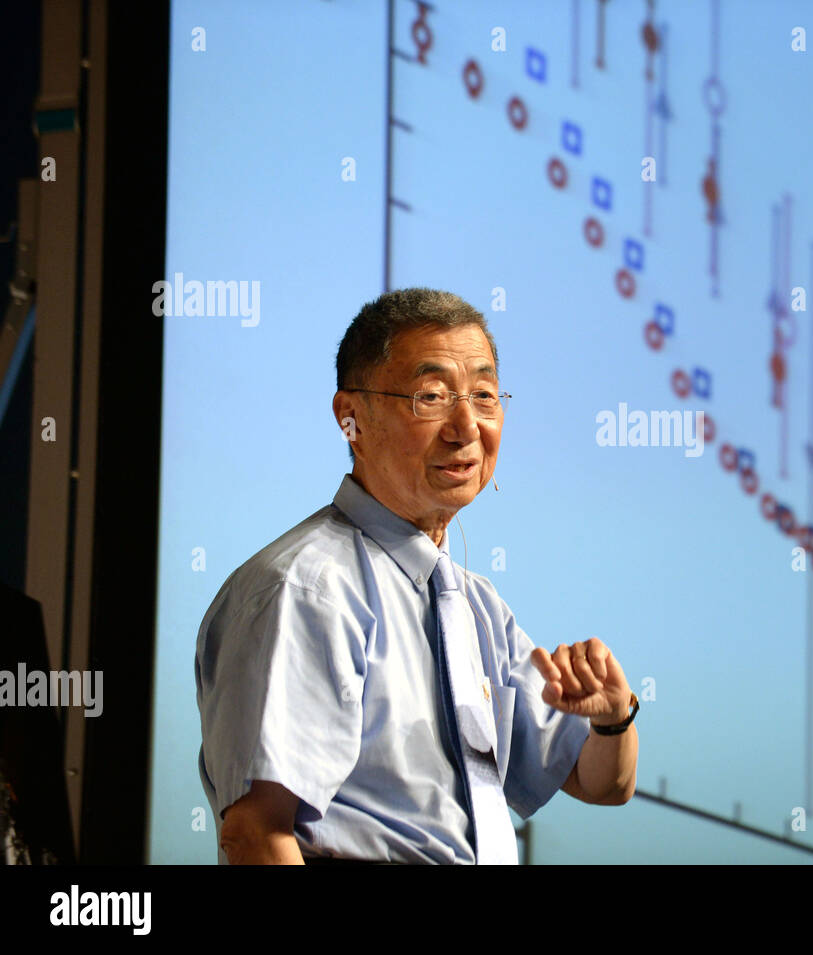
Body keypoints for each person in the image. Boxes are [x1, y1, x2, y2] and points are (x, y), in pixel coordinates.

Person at [194, 288, 639, 864]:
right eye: (431, 397)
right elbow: (255, 834)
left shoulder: (474, 605)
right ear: (350, 417)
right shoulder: (308, 589)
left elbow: (602, 783)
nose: (466, 427)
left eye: (483, 395)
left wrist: (612, 719)